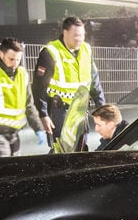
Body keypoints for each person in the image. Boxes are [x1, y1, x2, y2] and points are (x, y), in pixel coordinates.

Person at [32, 17, 105, 150]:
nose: (79, 39)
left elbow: (94, 81)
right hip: (60, 112)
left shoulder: (86, 50)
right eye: (76, 35)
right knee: (63, 152)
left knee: (81, 149)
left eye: (82, 35)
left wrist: (102, 108)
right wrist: (43, 115)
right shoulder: (51, 52)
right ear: (65, 33)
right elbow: (39, 87)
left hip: (81, 111)